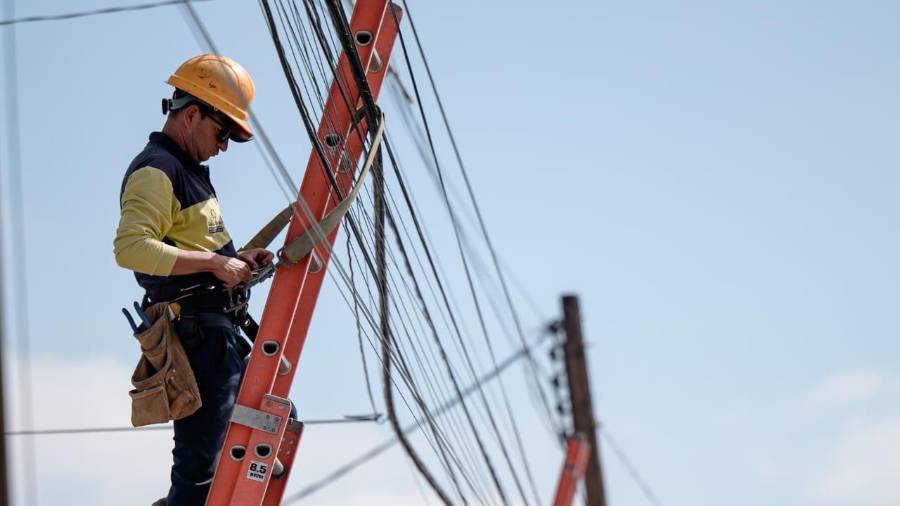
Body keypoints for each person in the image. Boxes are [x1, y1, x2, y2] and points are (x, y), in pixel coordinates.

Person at [114, 54, 272, 505]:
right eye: (222, 133)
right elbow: (131, 248)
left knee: (268, 426)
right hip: (199, 338)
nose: (224, 147)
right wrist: (216, 265)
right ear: (191, 115)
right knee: (202, 475)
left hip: (216, 335)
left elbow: (188, 246)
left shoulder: (188, 174)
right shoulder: (157, 170)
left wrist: (235, 260)